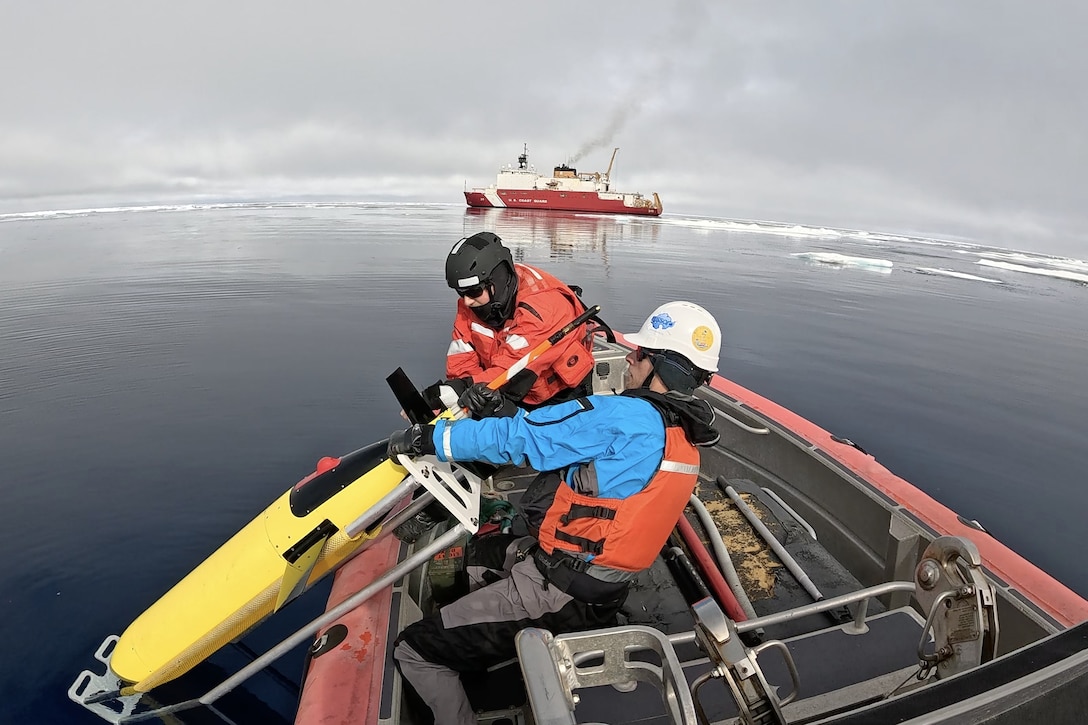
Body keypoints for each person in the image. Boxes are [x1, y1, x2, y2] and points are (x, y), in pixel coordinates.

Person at [387, 301, 722, 725]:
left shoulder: (625, 415)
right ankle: (482, 639)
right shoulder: (685, 441)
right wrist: (512, 414)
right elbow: (567, 443)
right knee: (479, 556)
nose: (630, 359)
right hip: (600, 587)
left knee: (414, 649)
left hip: (558, 591)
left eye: (640, 354)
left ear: (660, 366)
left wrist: (433, 438)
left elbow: (523, 441)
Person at [423, 231, 595, 412]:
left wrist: (462, 390)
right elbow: (462, 357)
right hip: (504, 387)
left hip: (560, 395)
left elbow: (514, 368)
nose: (466, 301)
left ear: (496, 281)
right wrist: (454, 393)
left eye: (473, 291)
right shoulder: (474, 302)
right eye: (461, 293)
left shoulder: (543, 307)